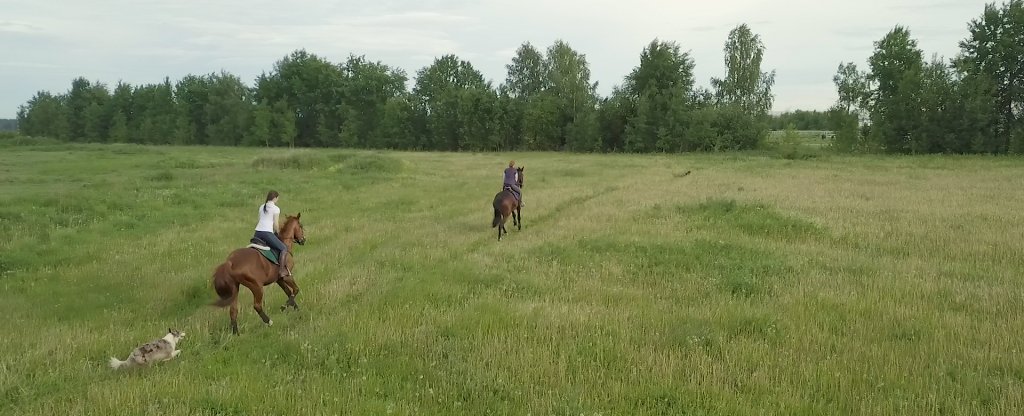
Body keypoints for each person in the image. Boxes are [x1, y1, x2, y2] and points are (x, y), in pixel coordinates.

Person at [254, 190, 290, 278]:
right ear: (275, 198)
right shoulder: (276, 209)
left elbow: (259, 220)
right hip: (267, 233)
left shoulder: (262, 207)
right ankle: (281, 271)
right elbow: (276, 224)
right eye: (278, 198)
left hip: (257, 233)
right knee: (283, 248)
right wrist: (278, 232)